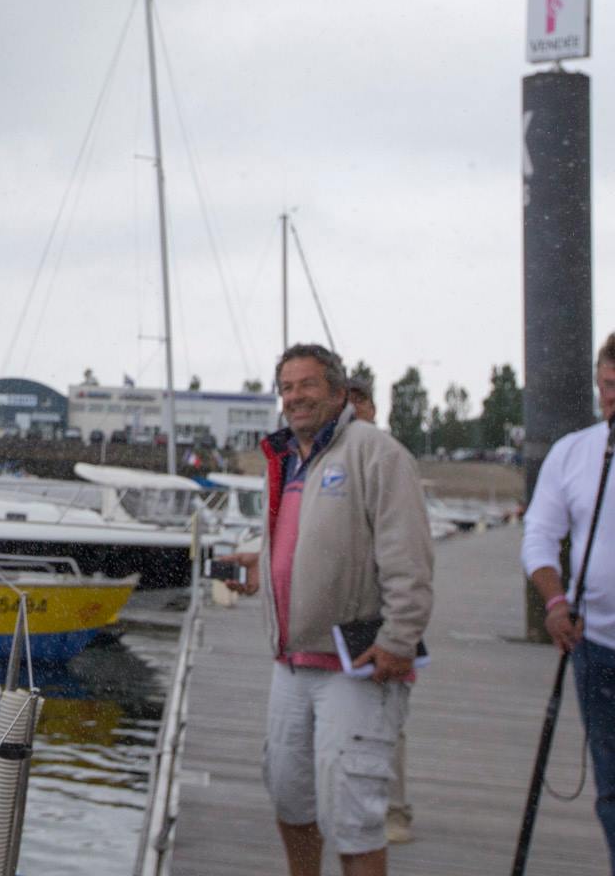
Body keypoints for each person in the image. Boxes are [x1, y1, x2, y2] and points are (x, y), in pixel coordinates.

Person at [229, 344, 433, 876]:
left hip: (356, 665)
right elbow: (313, 543)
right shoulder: (287, 459)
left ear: (339, 393)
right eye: (287, 388)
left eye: (308, 385)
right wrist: (265, 565)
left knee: (355, 817)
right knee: (290, 801)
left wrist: (399, 639)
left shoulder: (376, 452)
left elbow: (408, 556)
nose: (296, 397)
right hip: (290, 664)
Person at [522, 333, 615, 869]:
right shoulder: (575, 452)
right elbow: (539, 534)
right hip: (597, 645)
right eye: (607, 386)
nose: (612, 398)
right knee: (612, 786)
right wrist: (555, 602)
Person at [346, 376, 415, 845]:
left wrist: (402, 628)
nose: (353, 417)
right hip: (341, 610)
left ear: (371, 408)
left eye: (359, 406)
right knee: (343, 715)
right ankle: (349, 804)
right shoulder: (329, 461)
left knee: (387, 716)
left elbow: (407, 548)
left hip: (384, 609)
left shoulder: (390, 458)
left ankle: (396, 811)